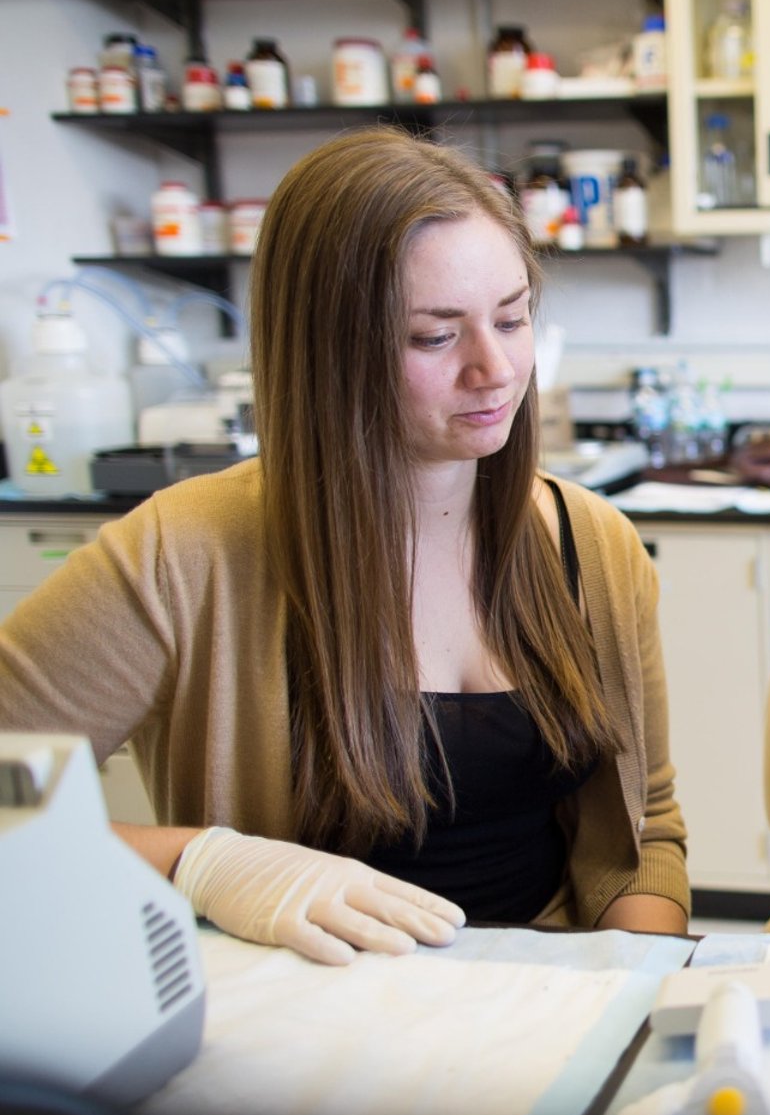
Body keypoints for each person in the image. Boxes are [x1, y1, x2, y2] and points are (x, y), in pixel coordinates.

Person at [0, 129, 687, 963]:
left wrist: (638, 984)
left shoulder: (593, 544)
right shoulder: (181, 556)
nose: (497, 368)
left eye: (512, 319)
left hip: (542, 998)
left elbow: (645, 825)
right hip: (301, 1010)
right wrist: (198, 863)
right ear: (328, 349)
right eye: (434, 337)